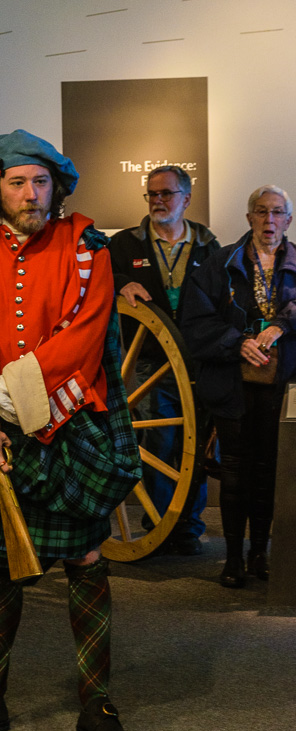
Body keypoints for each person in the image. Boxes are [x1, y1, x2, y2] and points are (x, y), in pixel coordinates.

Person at [0, 129, 142, 731]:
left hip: (66, 425)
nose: (30, 194)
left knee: (85, 561)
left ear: (56, 187)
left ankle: (96, 704)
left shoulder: (87, 248)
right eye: (17, 183)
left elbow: (82, 340)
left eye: (40, 181)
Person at [180, 185, 296, 588]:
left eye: (277, 212)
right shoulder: (219, 263)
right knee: (233, 473)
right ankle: (232, 560)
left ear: (288, 220)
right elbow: (194, 322)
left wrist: (283, 323)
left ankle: (260, 555)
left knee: (268, 472)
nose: (269, 220)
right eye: (261, 212)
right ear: (249, 218)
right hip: (231, 384)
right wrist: (237, 342)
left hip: (280, 387)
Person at [109, 166, 220, 555]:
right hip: (148, 364)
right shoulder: (124, 244)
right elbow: (101, 276)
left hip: (198, 361)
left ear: (186, 199)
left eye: (166, 194)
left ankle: (187, 526)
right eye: (152, 194)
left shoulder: (209, 248)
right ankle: (158, 524)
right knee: (158, 443)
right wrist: (123, 283)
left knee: (195, 446)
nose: (158, 201)